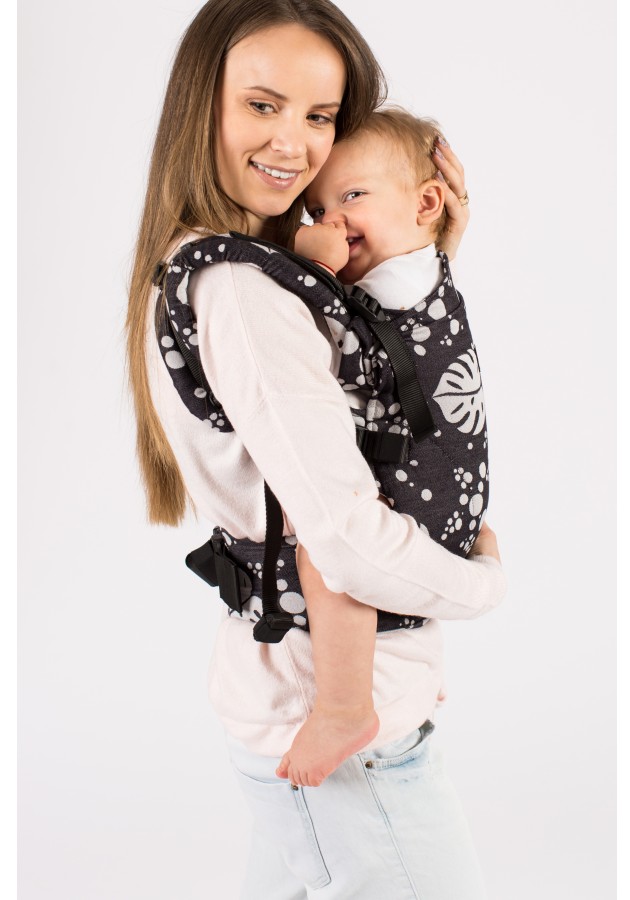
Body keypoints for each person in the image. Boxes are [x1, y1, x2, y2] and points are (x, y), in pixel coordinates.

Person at [126, 1, 505, 896]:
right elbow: (344, 540)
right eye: (262, 105)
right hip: (338, 725)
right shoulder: (242, 288)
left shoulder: (241, 265)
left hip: (313, 698)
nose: (294, 144)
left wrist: (422, 252)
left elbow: (372, 379)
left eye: (321, 115)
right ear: (202, 104)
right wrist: (479, 586)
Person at [276, 107, 488, 790]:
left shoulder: (389, 284)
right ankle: (406, 667)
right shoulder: (424, 274)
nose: (332, 221)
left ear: (426, 204)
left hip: (416, 491)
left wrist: (311, 261)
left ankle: (345, 708)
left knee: (328, 547)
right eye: (318, 209)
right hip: (451, 495)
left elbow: (317, 317)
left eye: (352, 196)